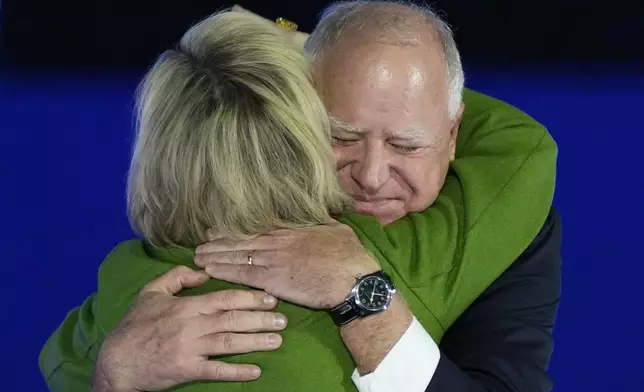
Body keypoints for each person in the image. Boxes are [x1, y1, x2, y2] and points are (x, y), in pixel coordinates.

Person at [40, 2, 560, 392]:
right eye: (341, 137)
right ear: (294, 121)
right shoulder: (482, 213)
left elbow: (57, 361)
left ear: (453, 134)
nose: (373, 176)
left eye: (406, 144)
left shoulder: (131, 277)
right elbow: (523, 146)